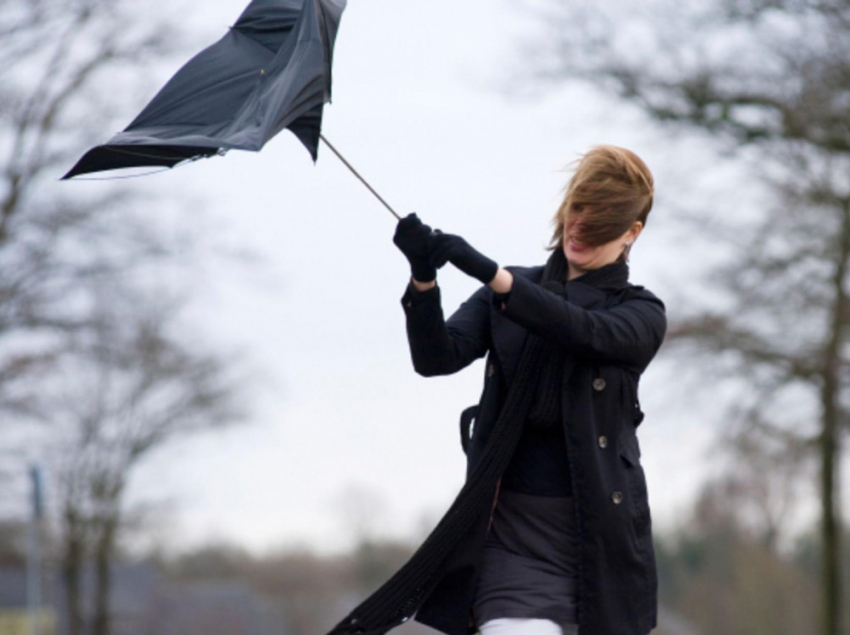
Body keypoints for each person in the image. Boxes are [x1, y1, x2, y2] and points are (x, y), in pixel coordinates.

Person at [391, 144, 667, 635]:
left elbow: (584, 331)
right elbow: (436, 359)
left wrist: (492, 276)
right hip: (510, 534)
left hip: (599, 542)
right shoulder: (510, 290)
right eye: (576, 211)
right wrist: (423, 280)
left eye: (599, 222)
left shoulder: (640, 313)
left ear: (632, 232)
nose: (579, 229)